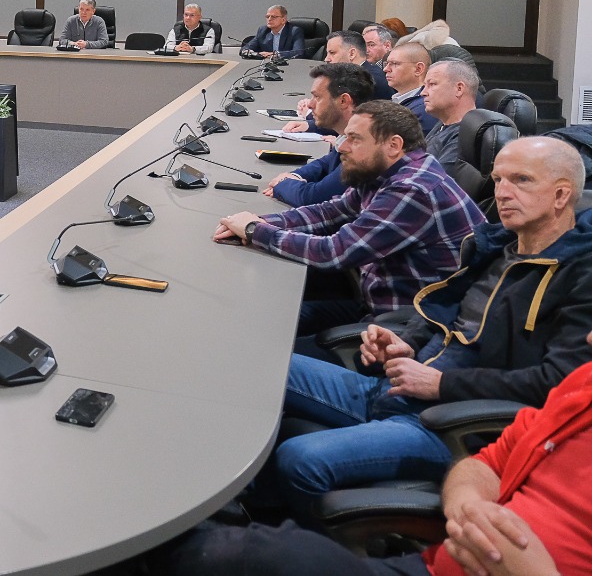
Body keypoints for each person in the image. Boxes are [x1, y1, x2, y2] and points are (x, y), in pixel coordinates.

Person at [255, 136, 592, 522]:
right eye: (499, 180)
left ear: (561, 195)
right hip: (398, 388)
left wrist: (441, 385)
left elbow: (559, 384)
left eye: (522, 180)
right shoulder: (499, 246)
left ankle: (307, 542)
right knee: (258, 365)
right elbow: (445, 311)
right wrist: (406, 342)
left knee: (300, 458)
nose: (502, 192)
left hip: (453, 424)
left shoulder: (581, 275)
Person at [140, 330, 592, 576]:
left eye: (521, 187)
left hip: (437, 409)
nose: (588, 339)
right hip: (436, 558)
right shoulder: (583, 384)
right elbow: (487, 463)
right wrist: (465, 505)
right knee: (258, 360)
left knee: (261, 549)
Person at [214, 101, 482, 337]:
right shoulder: (384, 171)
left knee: (264, 343)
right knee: (265, 320)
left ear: (393, 145)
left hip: (404, 329)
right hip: (375, 303)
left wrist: (255, 230)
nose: (341, 147)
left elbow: (335, 251)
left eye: (354, 139)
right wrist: (260, 221)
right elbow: (329, 212)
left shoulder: (413, 189)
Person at [265, 64, 375, 208]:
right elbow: (326, 162)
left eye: (317, 97)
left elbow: (314, 197)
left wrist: (283, 184)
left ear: (343, 101)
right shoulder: (349, 136)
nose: (310, 104)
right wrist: (295, 176)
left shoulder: (364, 148)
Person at [423, 59, 482, 166]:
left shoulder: (465, 135)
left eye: (432, 84)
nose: (423, 93)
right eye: (425, 86)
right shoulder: (443, 124)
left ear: (459, 89)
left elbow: (438, 176)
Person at [384, 41, 438, 133]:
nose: (386, 69)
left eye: (395, 63)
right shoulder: (399, 101)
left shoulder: (425, 109)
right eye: (386, 64)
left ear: (418, 69)